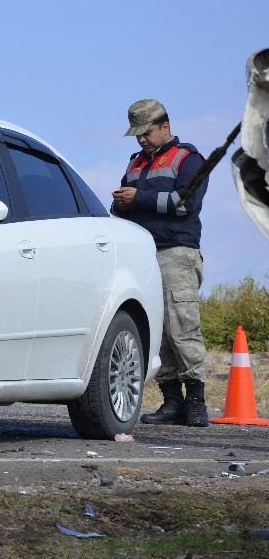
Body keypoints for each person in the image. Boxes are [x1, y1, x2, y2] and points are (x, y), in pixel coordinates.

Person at [112, 99, 210, 427]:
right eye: (137, 134)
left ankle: (196, 401)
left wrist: (137, 198)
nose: (142, 139)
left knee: (182, 328)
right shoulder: (135, 162)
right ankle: (172, 401)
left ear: (165, 127)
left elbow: (185, 203)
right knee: (157, 330)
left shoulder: (189, 159)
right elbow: (122, 209)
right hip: (143, 255)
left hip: (176, 253)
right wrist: (120, 205)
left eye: (147, 132)